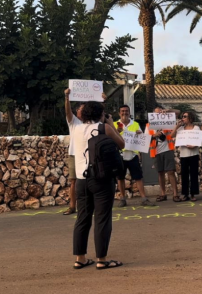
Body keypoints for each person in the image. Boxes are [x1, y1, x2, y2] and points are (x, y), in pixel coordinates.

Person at [65, 89, 124, 270]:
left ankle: (80, 258)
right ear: (100, 114)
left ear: (82, 114)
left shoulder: (75, 128)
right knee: (102, 219)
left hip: (82, 181)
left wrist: (66, 98)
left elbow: (69, 115)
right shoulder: (103, 128)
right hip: (101, 179)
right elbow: (121, 143)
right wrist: (109, 122)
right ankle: (101, 259)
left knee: (82, 218)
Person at [64, 92, 107, 215]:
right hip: (75, 154)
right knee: (74, 181)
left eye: (84, 109)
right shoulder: (74, 122)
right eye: (80, 109)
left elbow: (100, 116)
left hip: (91, 153)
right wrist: (67, 98)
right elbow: (68, 112)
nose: (81, 111)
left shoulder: (93, 123)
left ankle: (91, 204)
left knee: (93, 178)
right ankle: (73, 206)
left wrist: (102, 102)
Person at [114, 105, 153, 207]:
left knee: (138, 177)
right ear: (119, 113)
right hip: (120, 155)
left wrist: (139, 134)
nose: (124, 113)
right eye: (122, 111)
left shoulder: (135, 124)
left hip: (133, 154)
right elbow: (111, 138)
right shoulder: (114, 124)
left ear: (129, 112)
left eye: (126, 111)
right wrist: (116, 132)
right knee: (120, 177)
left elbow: (141, 139)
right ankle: (122, 198)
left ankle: (144, 198)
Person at [147, 106, 180, 202]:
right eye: (157, 113)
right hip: (156, 151)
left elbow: (178, 112)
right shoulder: (148, 125)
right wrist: (154, 135)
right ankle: (163, 193)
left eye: (160, 113)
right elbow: (145, 138)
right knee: (160, 172)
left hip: (167, 149)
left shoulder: (168, 122)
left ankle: (175, 194)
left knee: (171, 171)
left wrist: (168, 111)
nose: (159, 115)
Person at [171, 111, 200, 201]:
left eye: (185, 116)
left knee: (194, 174)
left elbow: (199, 140)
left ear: (190, 118)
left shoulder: (196, 128)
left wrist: (194, 146)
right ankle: (185, 194)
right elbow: (171, 136)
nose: (183, 118)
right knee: (184, 175)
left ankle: (193, 194)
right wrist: (177, 126)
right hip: (184, 155)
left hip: (194, 154)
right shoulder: (181, 129)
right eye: (182, 116)